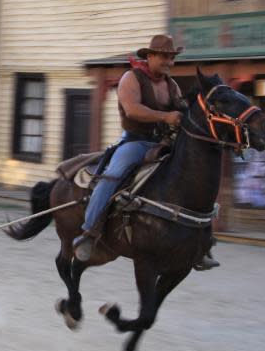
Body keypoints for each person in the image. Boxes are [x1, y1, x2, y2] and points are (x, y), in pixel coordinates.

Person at [72, 34, 219, 269]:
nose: (169, 62)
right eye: (164, 57)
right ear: (149, 56)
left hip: (163, 142)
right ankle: (88, 233)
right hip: (135, 142)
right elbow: (132, 110)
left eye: (171, 58)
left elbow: (180, 107)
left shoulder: (171, 85)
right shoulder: (131, 78)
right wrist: (166, 116)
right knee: (112, 176)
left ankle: (202, 244)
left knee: (196, 176)